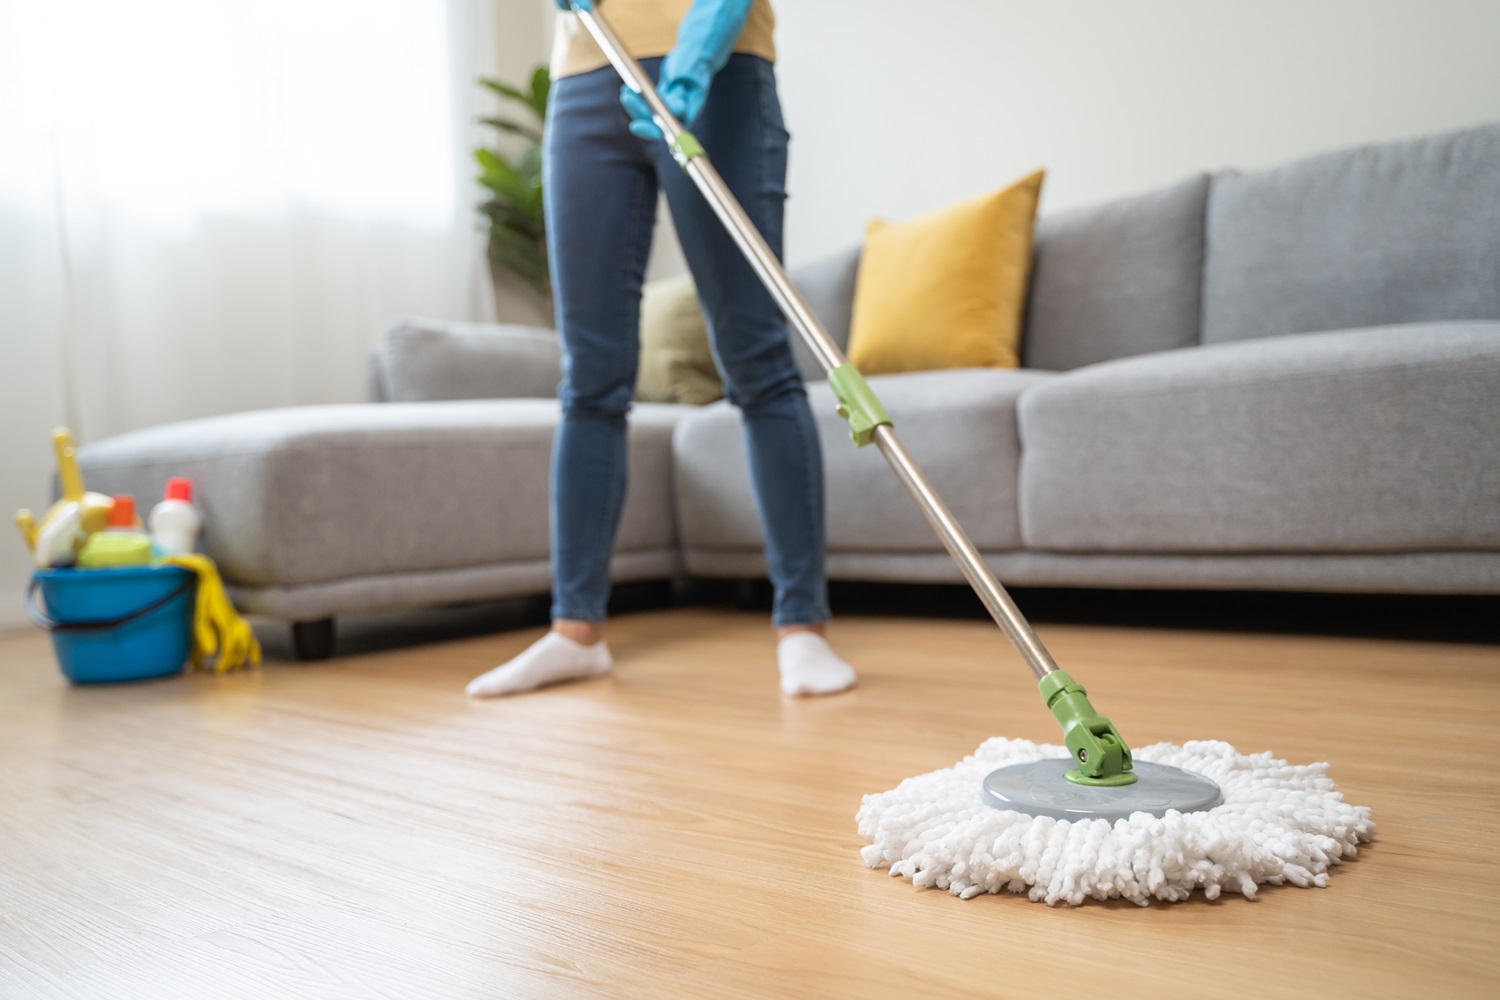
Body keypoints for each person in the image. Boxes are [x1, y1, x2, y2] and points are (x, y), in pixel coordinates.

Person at [466, 0, 857, 699]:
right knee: (589, 375)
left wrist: (700, 46)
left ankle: (803, 628)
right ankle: (575, 632)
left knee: (756, 359)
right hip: (587, 73)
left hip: (722, 64)